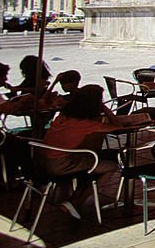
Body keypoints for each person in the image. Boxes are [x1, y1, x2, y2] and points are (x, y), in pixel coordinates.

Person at [42, 85, 139, 219]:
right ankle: (76, 202)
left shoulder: (63, 116)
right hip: (62, 164)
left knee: (93, 161)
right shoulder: (85, 124)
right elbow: (118, 126)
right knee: (111, 166)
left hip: (45, 161)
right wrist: (105, 108)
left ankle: (75, 197)